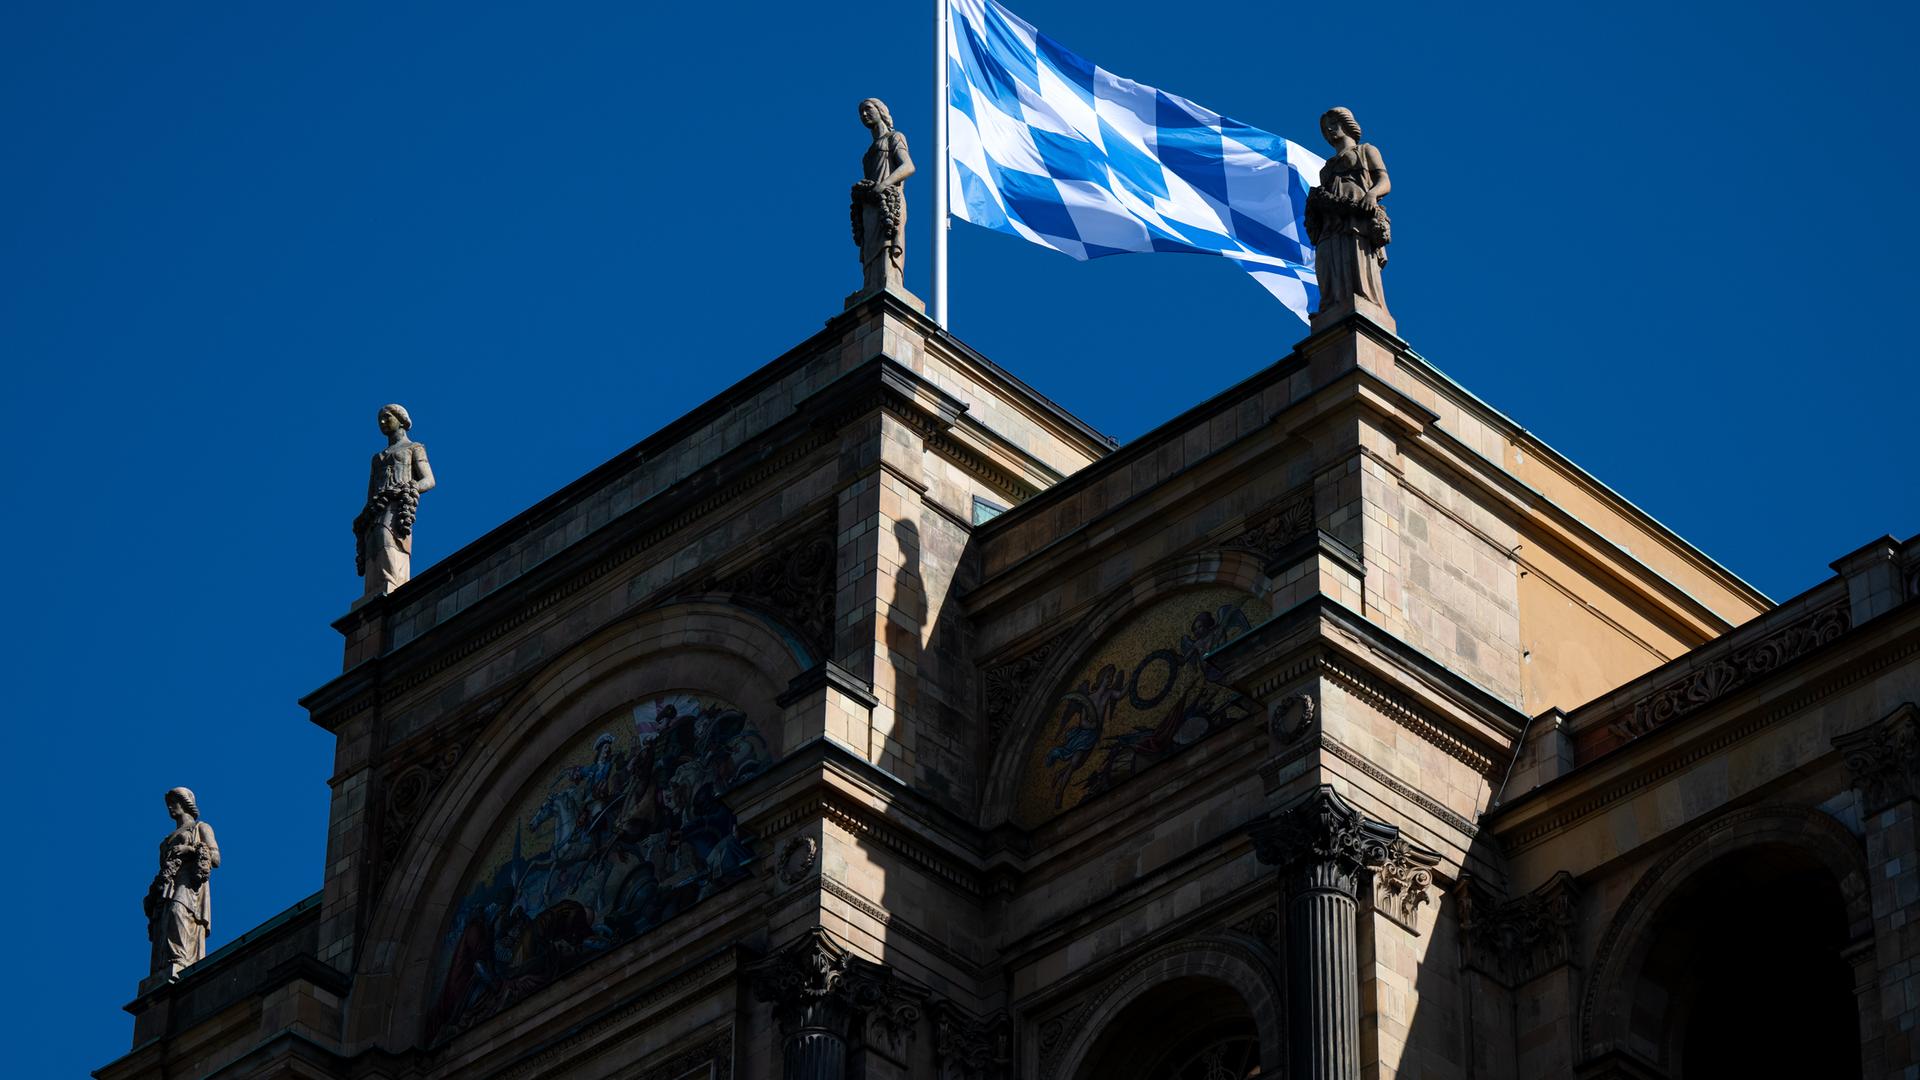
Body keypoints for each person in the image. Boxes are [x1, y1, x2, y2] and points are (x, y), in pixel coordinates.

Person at [1304, 107, 1392, 314]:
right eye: (1326, 129)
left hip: (1358, 218)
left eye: (1333, 124)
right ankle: (1331, 307)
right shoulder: (1326, 167)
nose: (1330, 131)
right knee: (1328, 262)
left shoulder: (1366, 150)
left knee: (1356, 261)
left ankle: (1365, 304)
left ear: (1347, 124)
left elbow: (1385, 181)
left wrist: (1371, 194)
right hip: (1331, 223)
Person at [354, 403, 435, 597]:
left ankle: (394, 585)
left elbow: (429, 480)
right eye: (379, 420)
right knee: (374, 544)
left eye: (387, 417)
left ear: (401, 420)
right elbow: (371, 493)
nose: (382, 422)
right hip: (377, 507)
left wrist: (410, 487)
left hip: (398, 504)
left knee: (388, 539)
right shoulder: (377, 458)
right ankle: (374, 592)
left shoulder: (414, 447)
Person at [144, 787, 220, 978]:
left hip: (189, 882)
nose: (170, 807)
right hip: (168, 885)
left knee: (178, 911)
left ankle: (181, 960)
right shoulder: (164, 842)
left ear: (186, 803)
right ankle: (164, 968)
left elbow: (216, 858)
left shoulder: (201, 827)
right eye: (168, 804)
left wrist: (189, 849)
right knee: (164, 921)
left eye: (174, 802)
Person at [850, 98, 915, 293]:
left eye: (868, 109)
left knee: (887, 244)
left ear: (881, 111)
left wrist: (884, 184)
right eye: (861, 112)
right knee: (870, 248)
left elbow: (908, 166)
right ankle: (871, 286)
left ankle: (890, 283)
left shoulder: (894, 137)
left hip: (889, 201)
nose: (864, 114)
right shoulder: (868, 152)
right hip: (871, 205)